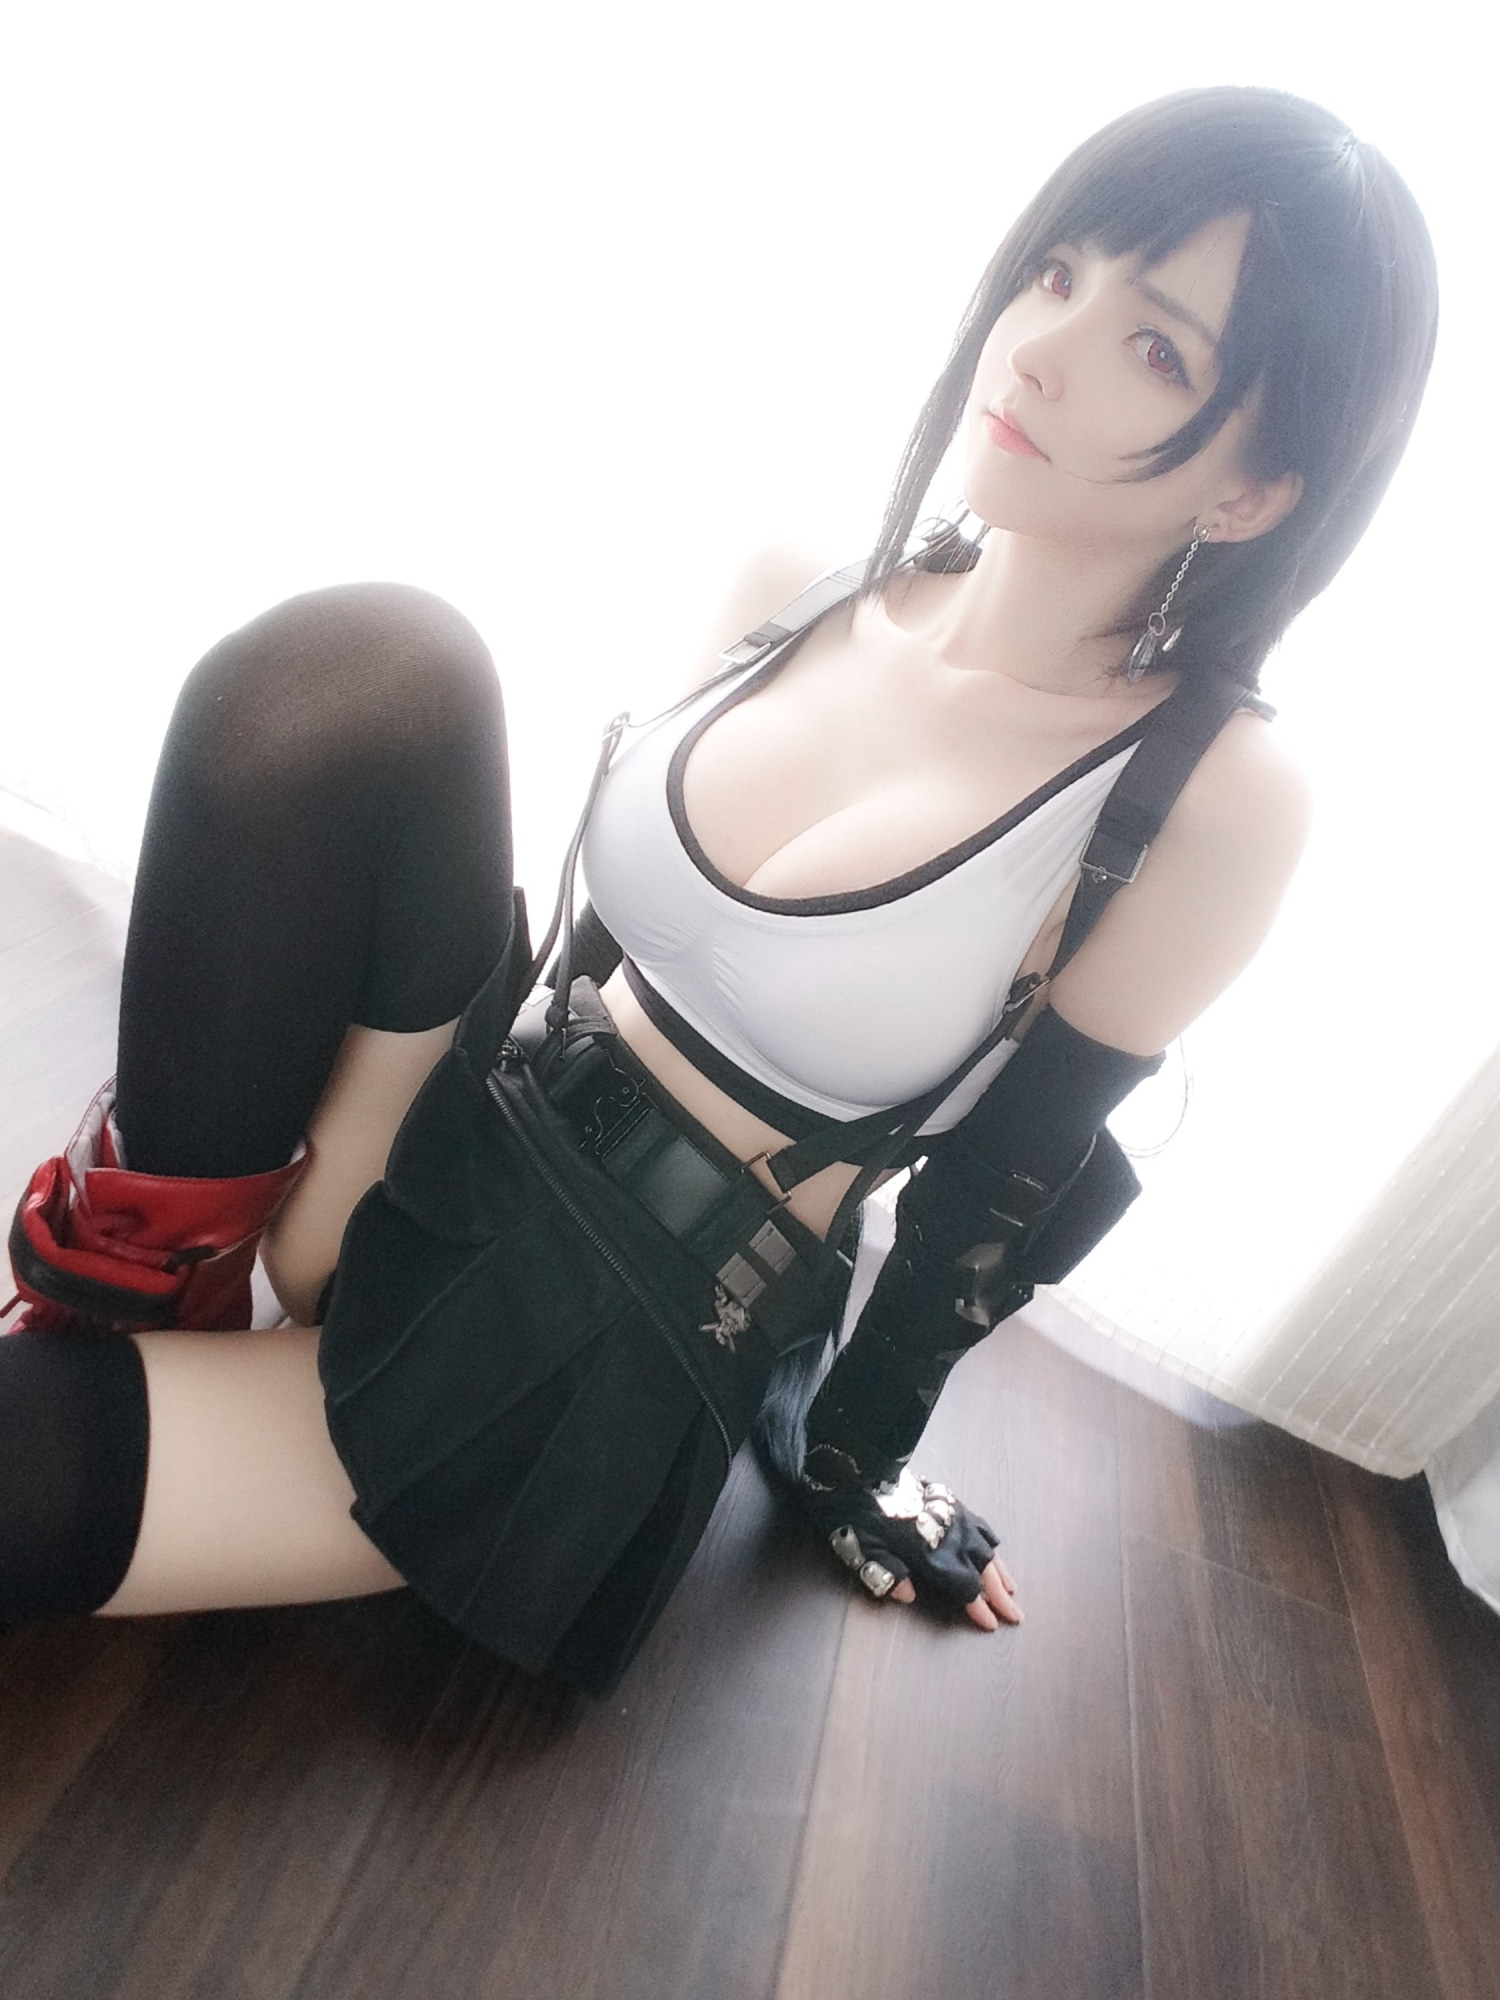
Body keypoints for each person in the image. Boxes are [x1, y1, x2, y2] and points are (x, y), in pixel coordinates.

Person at [2, 86, 1438, 1693]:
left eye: (1156, 349)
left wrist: (857, 1466)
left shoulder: (1207, 799)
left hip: (575, 1336)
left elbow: (993, 1204)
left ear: (1249, 497)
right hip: (458, 1141)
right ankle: (137, 1283)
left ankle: (143, 1359)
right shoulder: (804, 587)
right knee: (369, 667)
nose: (1042, 346)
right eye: (1061, 271)